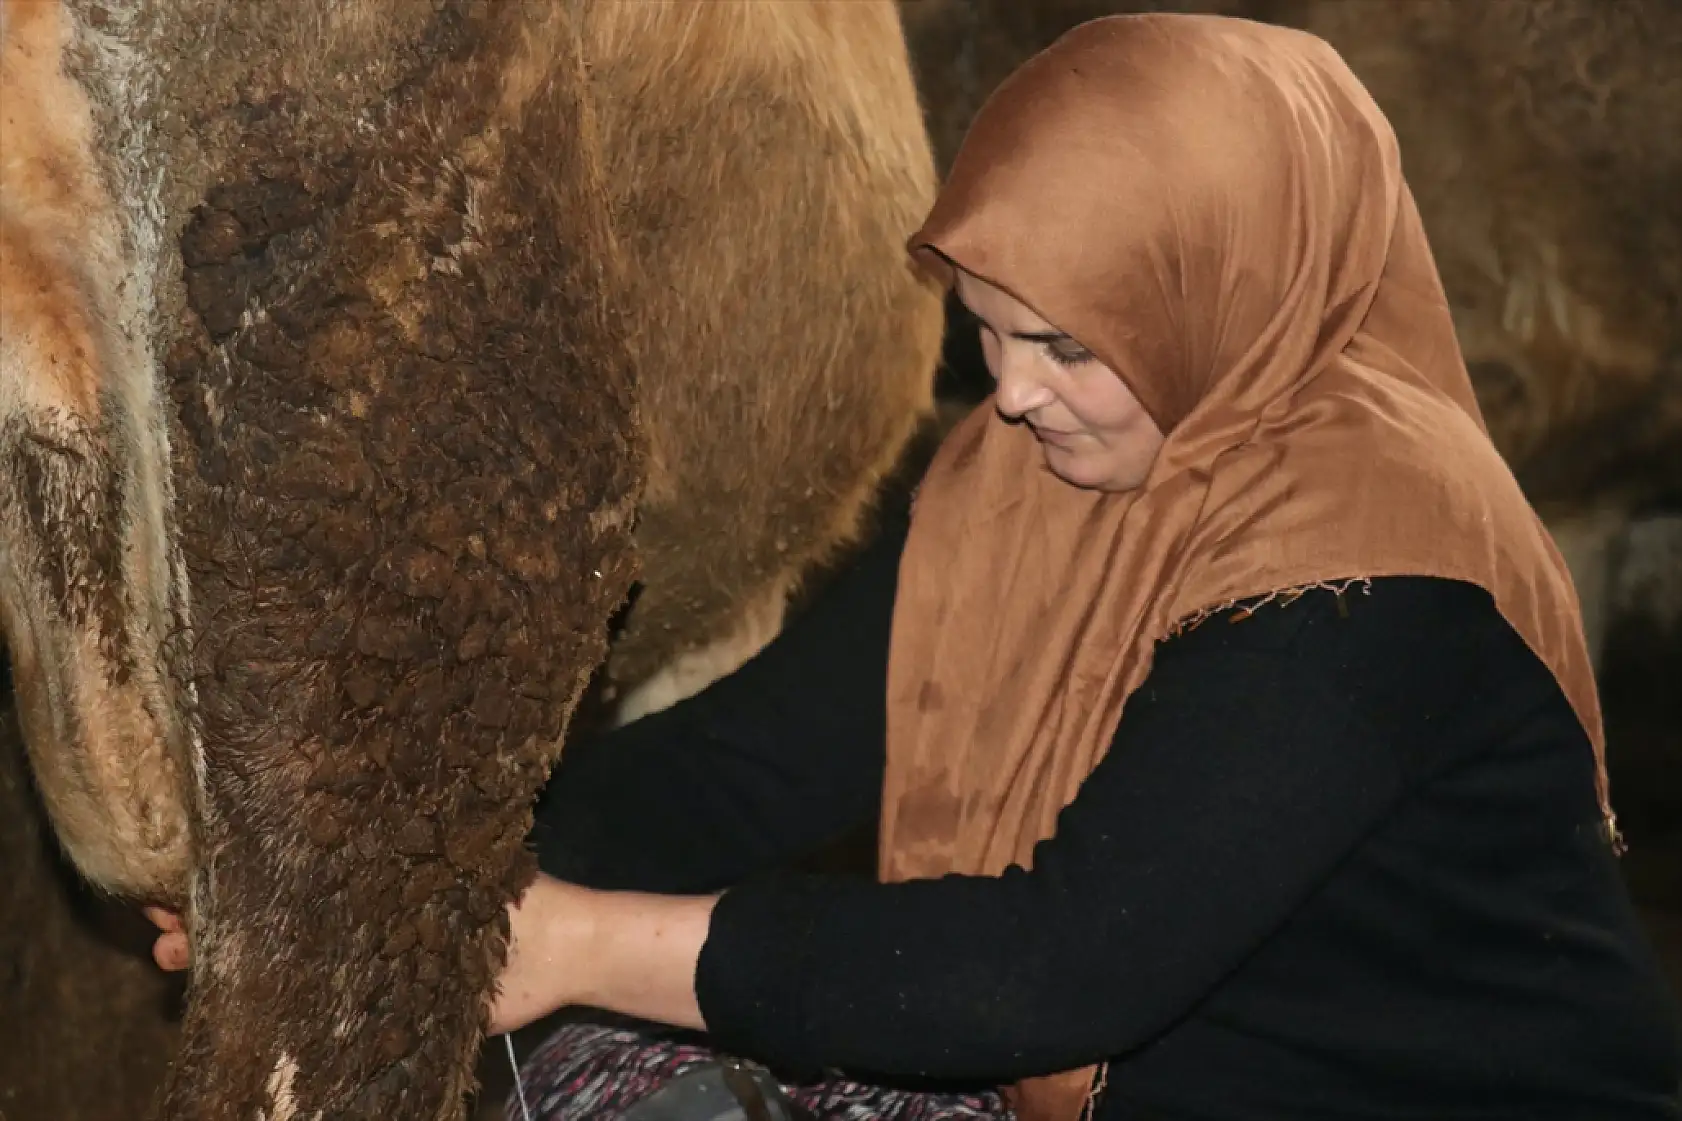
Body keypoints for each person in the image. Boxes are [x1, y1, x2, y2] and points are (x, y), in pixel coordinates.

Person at [147, 13, 1682, 1121]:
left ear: (1236, 295)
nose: (1009, 393)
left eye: (1073, 343)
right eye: (987, 332)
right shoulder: (1031, 478)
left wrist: (574, 941)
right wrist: (374, 892)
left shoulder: (1375, 580)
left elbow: (1051, 974)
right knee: (576, 1068)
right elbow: (746, 770)